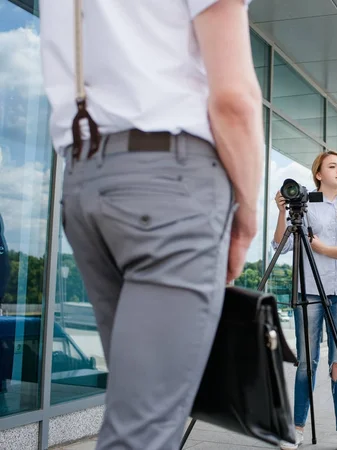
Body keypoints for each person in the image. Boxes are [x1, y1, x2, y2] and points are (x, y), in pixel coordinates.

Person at [39, 1, 264, 449]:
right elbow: (233, 99)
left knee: (134, 408)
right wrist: (247, 212)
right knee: (143, 430)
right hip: (170, 186)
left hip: (83, 179)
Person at [272, 151, 337, 450]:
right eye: (332, 166)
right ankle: (297, 429)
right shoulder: (304, 204)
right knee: (306, 364)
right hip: (310, 292)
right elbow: (281, 244)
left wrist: (324, 249)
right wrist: (282, 212)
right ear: (318, 174)